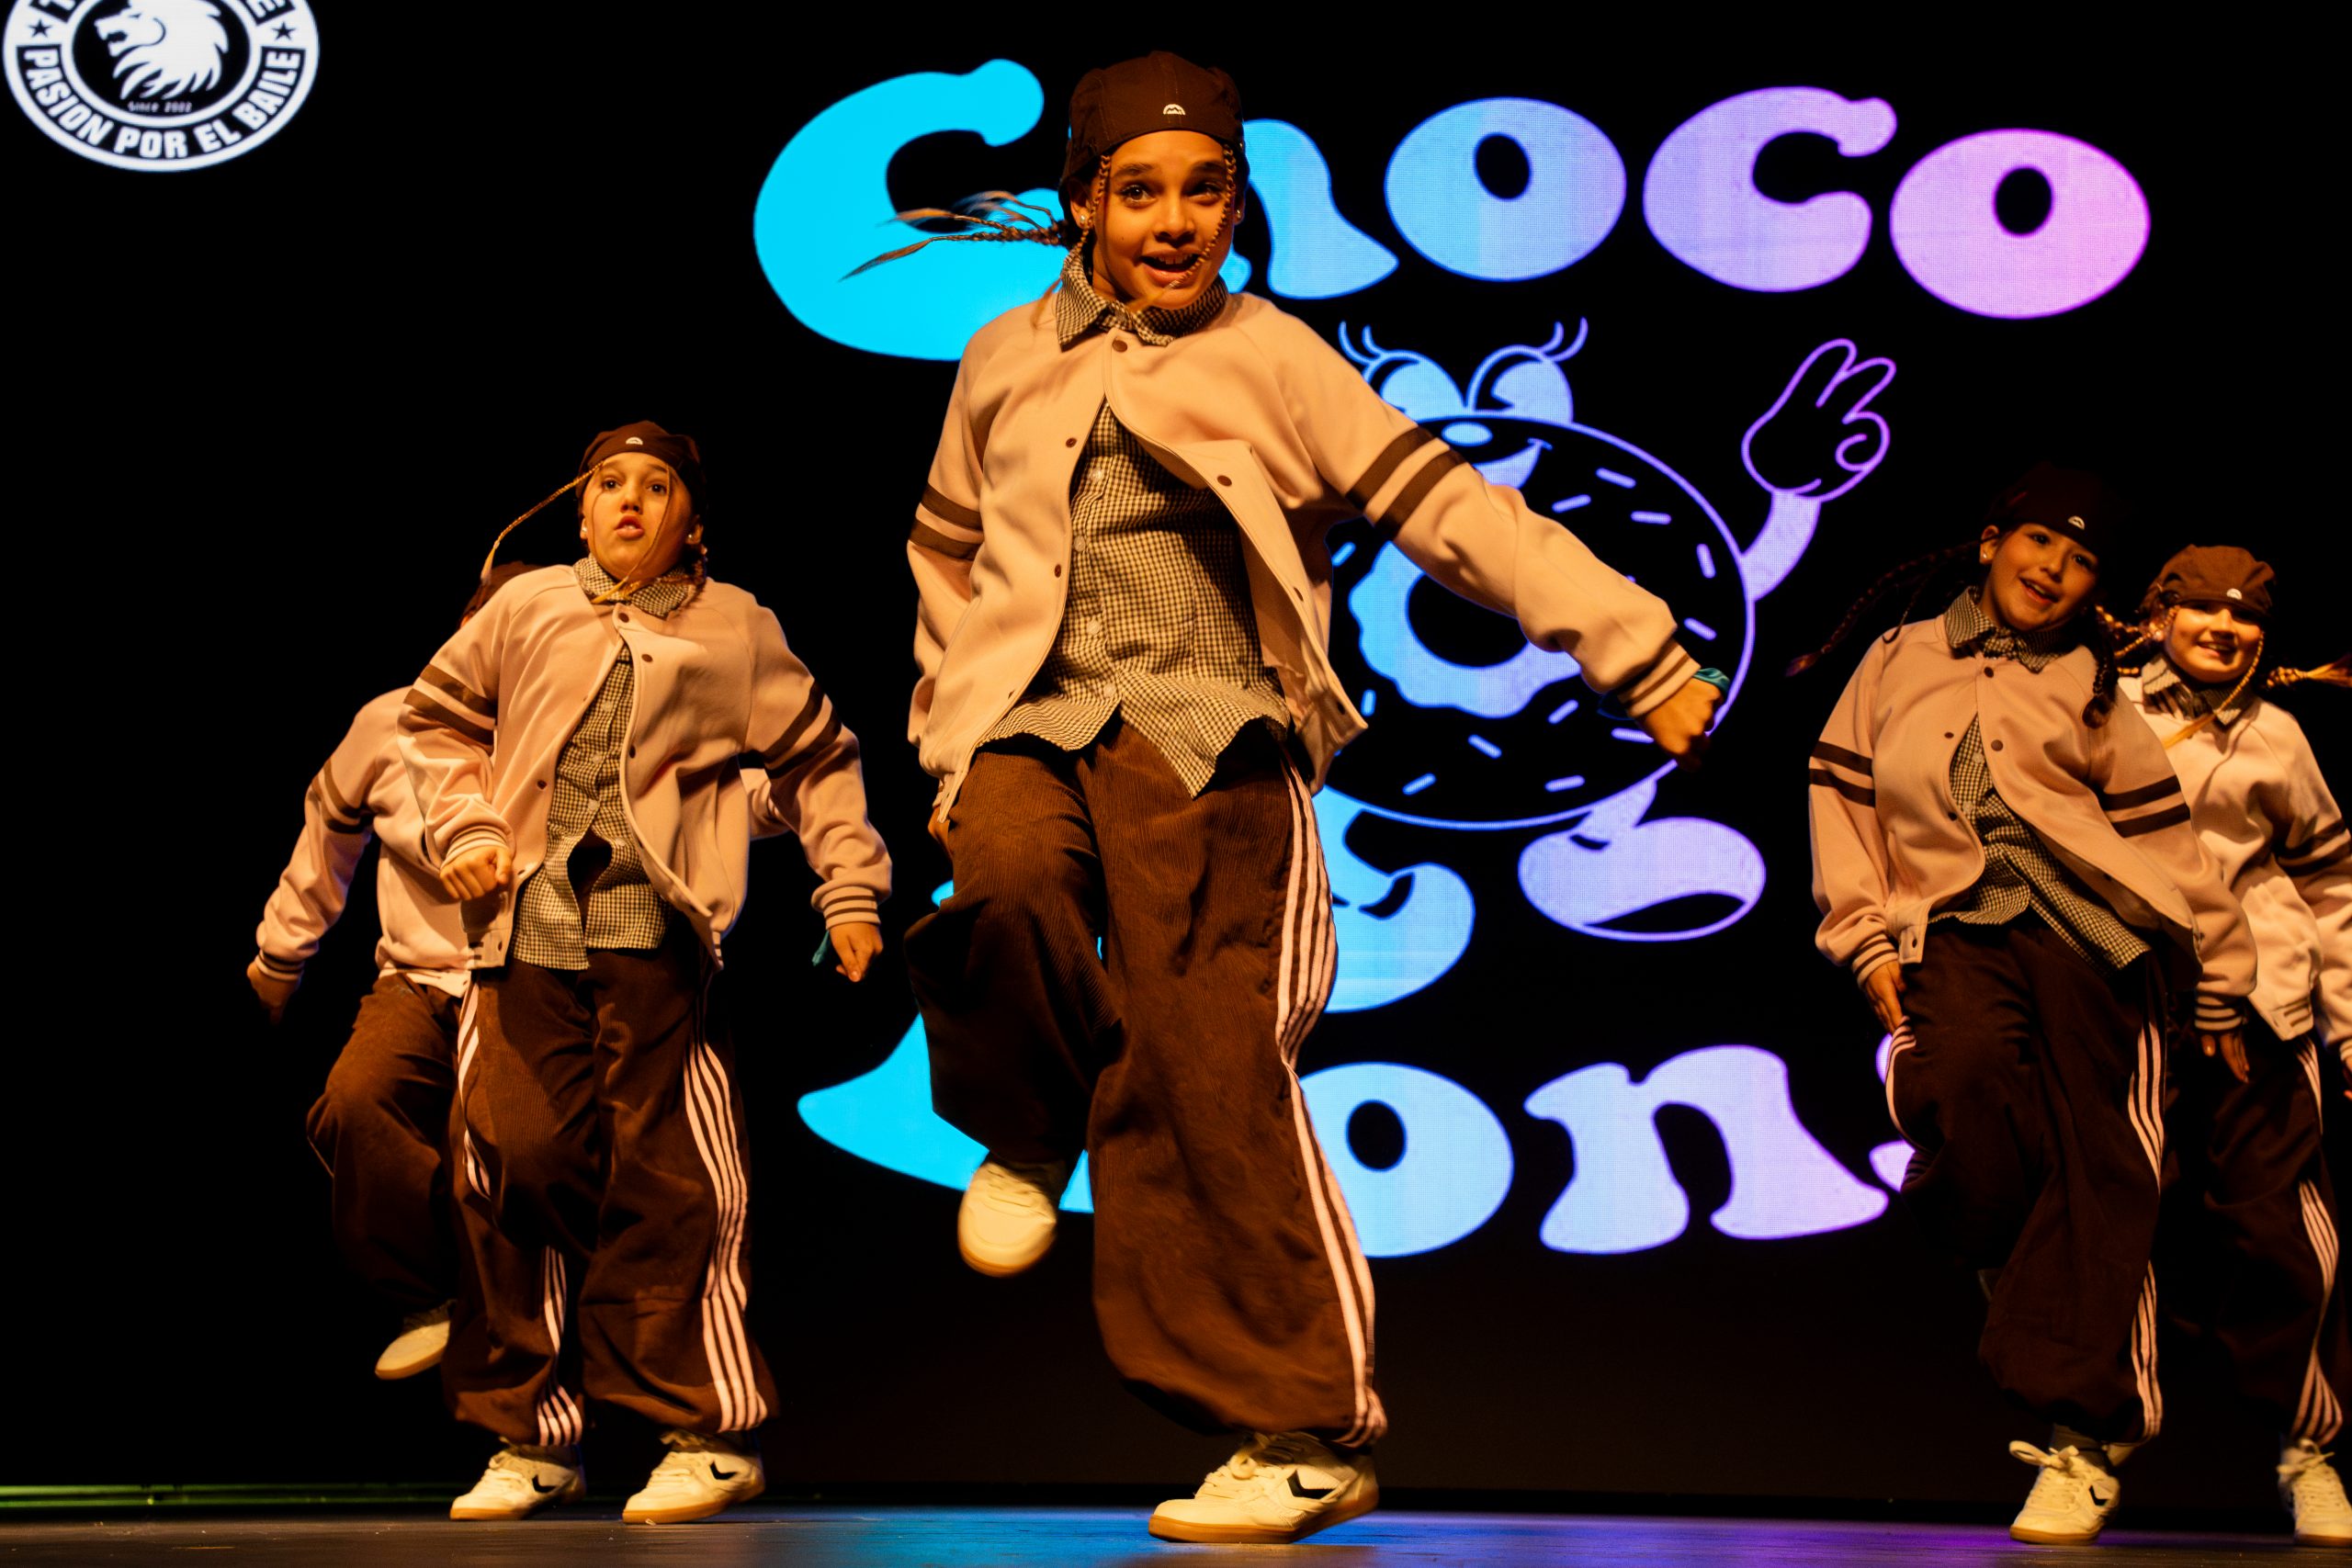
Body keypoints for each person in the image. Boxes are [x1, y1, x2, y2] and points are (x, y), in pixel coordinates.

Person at [880, 51, 1721, 1546]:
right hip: (1033, 721)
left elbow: (1452, 512)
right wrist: (950, 742)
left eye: (1204, 191)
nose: (1174, 221)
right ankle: (1027, 1126)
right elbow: (947, 560)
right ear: (1083, 204)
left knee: (1208, 1071)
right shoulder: (1004, 358)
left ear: (1236, 206)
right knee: (998, 885)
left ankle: (1305, 1429)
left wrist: (1630, 644)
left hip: (1210, 740)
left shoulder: (1275, 358)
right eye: (1140, 192)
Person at [401, 422, 890, 1524]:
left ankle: (704, 1430)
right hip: (522, 924)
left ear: (692, 521)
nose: (629, 499)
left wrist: (849, 888)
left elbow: (818, 756)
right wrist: (467, 826)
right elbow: (432, 726)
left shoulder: (735, 624)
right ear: (580, 511)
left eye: (656, 485)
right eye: (609, 483)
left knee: (672, 1175)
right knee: (511, 1158)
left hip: (653, 933)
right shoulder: (525, 607)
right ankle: (531, 1434)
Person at [1800, 465, 2256, 1545]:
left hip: (2101, 941)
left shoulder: (2090, 680)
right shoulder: (1898, 654)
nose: (2054, 568)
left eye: (2082, 559)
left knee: (2107, 1166)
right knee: (1961, 1097)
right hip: (1952, 929)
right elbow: (1840, 802)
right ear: (1991, 542)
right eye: (2040, 542)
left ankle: (2084, 1436)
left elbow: (2163, 841)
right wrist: (1862, 940)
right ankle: (2043, 1309)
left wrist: (2223, 988)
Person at [250, 562, 540, 1382]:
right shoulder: (391, 723)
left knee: (501, 1147)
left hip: (527, 982)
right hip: (417, 976)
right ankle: (425, 1294)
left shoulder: (564, 731)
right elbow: (325, 845)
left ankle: (525, 1345)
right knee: (356, 1100)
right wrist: (278, 962)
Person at [2118, 546, 2351, 1547]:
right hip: (2131, 1000)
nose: (2225, 628)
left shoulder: (2277, 734)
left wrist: (2346, 1024)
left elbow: (2330, 882)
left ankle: (2309, 1450)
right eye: (2204, 610)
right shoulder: (2098, 706)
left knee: (2277, 1234)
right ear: (2157, 616)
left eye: (2246, 616)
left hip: (2263, 1008)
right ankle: (2091, 1442)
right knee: (2116, 1230)